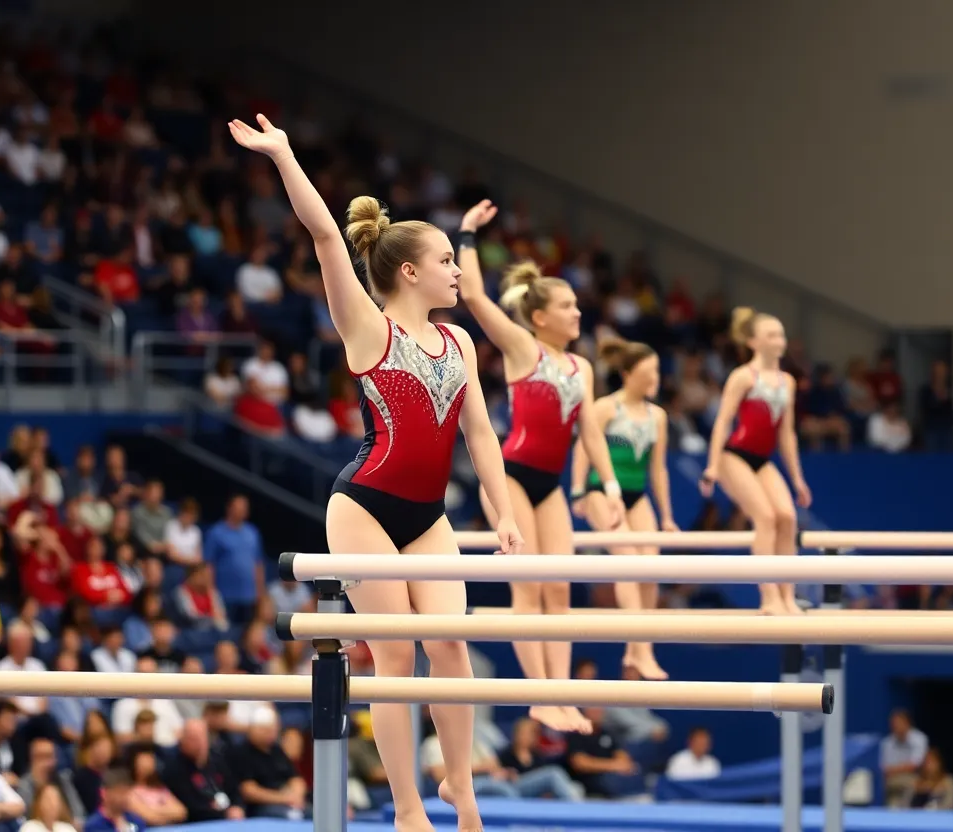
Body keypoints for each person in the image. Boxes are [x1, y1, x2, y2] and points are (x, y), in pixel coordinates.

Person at [228, 114, 522, 832]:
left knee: (450, 644)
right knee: (396, 655)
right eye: (448, 259)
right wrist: (285, 155)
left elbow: (482, 434)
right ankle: (406, 807)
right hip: (362, 508)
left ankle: (463, 791)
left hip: (427, 516)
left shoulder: (458, 342)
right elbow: (327, 237)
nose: (459, 270)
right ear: (410, 271)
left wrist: (505, 510)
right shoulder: (369, 327)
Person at [454, 199, 623, 734]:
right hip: (511, 478)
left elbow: (590, 432)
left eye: (578, 305)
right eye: (568, 306)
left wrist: (610, 483)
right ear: (541, 316)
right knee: (528, 590)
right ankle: (539, 698)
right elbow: (475, 295)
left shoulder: (582, 367)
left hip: (549, 483)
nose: (579, 313)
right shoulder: (523, 347)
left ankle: (561, 696)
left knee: (560, 590)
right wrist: (466, 234)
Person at [570, 338, 676, 679]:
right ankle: (643, 650)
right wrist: (577, 492)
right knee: (629, 563)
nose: (655, 377)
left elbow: (658, 470)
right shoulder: (606, 408)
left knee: (651, 567)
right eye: (649, 371)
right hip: (602, 490)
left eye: (657, 370)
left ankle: (635, 651)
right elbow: (584, 448)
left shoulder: (657, 416)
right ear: (629, 374)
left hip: (637, 494)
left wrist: (669, 516)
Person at [700, 307, 811, 615]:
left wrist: (797, 479)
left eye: (781, 334)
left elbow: (786, 435)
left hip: (762, 459)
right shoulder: (743, 377)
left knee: (787, 517)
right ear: (753, 342)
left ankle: (788, 596)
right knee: (765, 517)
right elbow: (722, 422)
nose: (780, 340)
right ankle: (769, 597)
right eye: (772, 335)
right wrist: (711, 465)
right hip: (733, 457)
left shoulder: (787, 381)